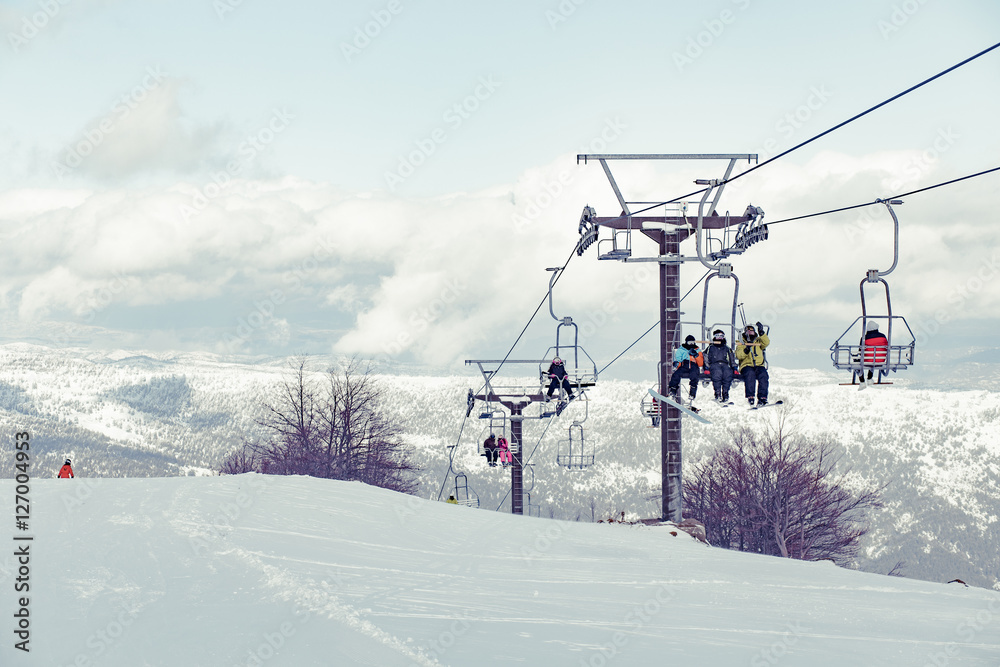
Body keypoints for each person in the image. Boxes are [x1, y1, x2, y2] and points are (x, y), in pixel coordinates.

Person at [736, 322, 770, 406]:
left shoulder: (758, 341)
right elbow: (739, 355)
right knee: (750, 374)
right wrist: (746, 350)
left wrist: (762, 332)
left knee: (763, 375)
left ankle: (762, 397)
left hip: (758, 365)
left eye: (752, 332)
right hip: (746, 365)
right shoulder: (741, 342)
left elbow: (766, 343)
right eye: (748, 332)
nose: (750, 333)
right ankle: (750, 396)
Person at [668, 335, 703, 404]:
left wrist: (696, 355)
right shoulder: (681, 350)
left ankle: (692, 394)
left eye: (692, 342)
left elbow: (700, 363)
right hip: (684, 365)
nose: (691, 344)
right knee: (676, 375)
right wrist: (676, 364)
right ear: (686, 342)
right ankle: (673, 391)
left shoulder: (697, 350)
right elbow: (678, 359)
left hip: (694, 365)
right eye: (689, 342)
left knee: (694, 375)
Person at [706, 329, 737, 403]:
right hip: (714, 364)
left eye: (721, 336)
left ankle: (725, 393)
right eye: (717, 336)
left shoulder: (727, 348)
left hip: (724, 364)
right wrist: (706, 367)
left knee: (728, 373)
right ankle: (718, 393)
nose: (719, 338)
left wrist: (734, 368)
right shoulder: (711, 348)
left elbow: (731, 359)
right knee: (717, 373)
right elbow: (706, 357)